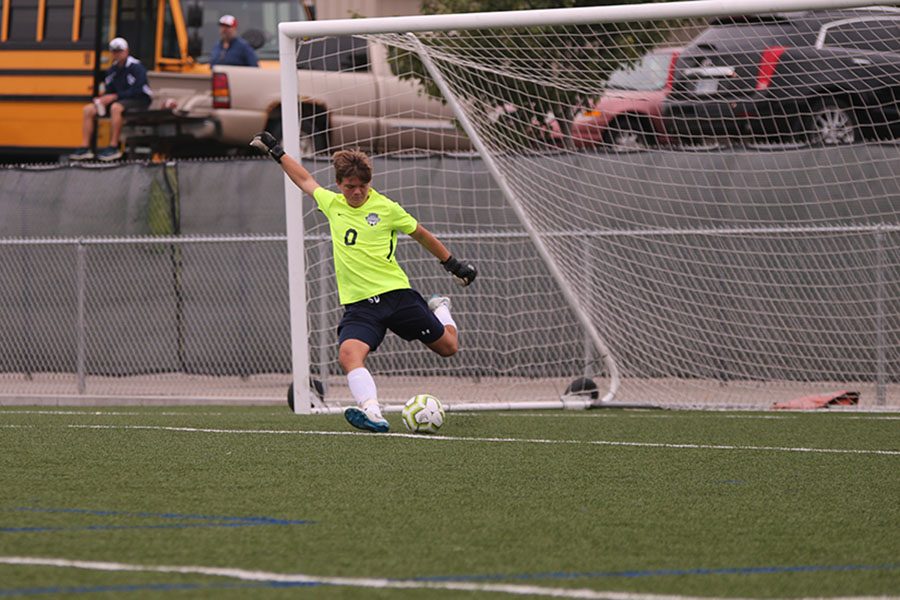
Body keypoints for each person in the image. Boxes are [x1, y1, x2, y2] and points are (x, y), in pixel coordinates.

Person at [250, 132, 477, 433]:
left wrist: (452, 263)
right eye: (349, 187)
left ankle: (441, 309)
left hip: (397, 297)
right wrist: (277, 152)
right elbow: (304, 179)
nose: (356, 192)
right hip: (360, 306)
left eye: (362, 186)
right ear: (339, 185)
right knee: (348, 354)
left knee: (448, 347)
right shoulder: (332, 204)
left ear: (370, 183)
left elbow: (420, 234)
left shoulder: (387, 208)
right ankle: (372, 411)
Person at [70, 38, 152, 161]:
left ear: (127, 51)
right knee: (88, 109)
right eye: (114, 51)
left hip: (139, 99)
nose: (117, 54)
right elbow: (110, 89)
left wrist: (115, 97)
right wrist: (102, 99)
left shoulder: (136, 67)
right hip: (120, 99)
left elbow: (139, 89)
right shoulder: (112, 70)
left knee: (115, 107)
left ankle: (114, 146)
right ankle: (85, 147)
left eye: (120, 51)